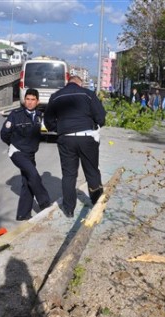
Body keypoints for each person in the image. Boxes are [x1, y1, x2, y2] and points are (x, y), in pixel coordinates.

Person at [44, 75, 106, 218]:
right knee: (92, 172)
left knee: (69, 174)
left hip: (66, 139)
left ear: (68, 83)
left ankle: (69, 209)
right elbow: (101, 117)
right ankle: (97, 205)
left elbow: (48, 121)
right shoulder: (88, 94)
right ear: (80, 83)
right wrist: (95, 125)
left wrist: (60, 129)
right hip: (87, 138)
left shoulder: (55, 96)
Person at [0, 88, 50, 221]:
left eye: (33, 99)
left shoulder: (40, 116)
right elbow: (4, 134)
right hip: (17, 152)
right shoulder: (15, 115)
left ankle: (23, 214)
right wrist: (14, 145)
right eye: (27, 99)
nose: (29, 102)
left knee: (27, 181)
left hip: (30, 153)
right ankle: (45, 203)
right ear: (24, 100)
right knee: (33, 175)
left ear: (37, 101)